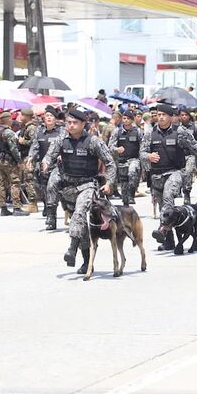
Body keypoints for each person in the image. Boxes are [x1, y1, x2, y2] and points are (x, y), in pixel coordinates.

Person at [41, 109, 116, 273]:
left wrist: (109, 182)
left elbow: (110, 163)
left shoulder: (93, 141)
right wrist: (45, 164)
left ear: (83, 124)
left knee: (79, 214)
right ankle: (87, 261)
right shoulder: (61, 139)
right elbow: (49, 155)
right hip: (69, 188)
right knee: (81, 227)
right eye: (69, 122)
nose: (71, 125)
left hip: (88, 186)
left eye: (75, 123)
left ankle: (72, 249)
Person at [140, 104, 197, 249]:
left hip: (175, 172)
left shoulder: (180, 131)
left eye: (164, 115)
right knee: (164, 208)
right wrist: (148, 156)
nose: (160, 117)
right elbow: (141, 153)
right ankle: (168, 242)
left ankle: (162, 229)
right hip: (156, 175)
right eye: (158, 114)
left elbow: (196, 147)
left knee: (168, 198)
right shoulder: (149, 133)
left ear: (170, 117)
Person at [28, 106, 65, 230]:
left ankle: (51, 218)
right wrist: (30, 158)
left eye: (51, 116)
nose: (48, 118)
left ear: (55, 119)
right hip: (43, 167)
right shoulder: (39, 131)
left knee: (51, 188)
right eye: (47, 116)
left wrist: (62, 155)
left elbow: (66, 145)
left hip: (57, 166)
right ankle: (49, 209)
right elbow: (34, 147)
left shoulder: (61, 131)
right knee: (43, 190)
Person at [0, 112, 28, 217]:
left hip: (0, 160)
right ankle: (16, 207)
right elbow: (13, 148)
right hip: (9, 161)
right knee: (15, 182)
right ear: (7, 119)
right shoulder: (8, 132)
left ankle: (3, 208)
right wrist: (19, 161)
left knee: (2, 183)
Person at [109, 109, 143, 207]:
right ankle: (126, 201)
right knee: (124, 184)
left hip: (134, 159)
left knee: (132, 172)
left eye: (128, 118)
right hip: (121, 161)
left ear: (132, 120)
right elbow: (110, 146)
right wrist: (116, 149)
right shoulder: (117, 131)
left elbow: (143, 146)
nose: (125, 120)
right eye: (124, 118)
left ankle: (132, 193)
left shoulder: (138, 132)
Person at [178, 107, 197, 204]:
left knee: (188, 172)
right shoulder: (177, 127)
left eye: (186, 115)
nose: (184, 117)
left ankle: (187, 194)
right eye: (182, 115)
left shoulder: (194, 126)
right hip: (179, 154)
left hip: (191, 155)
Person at [16, 108, 38, 212]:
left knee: (29, 179)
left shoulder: (31, 128)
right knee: (27, 179)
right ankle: (32, 203)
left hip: (29, 157)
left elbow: (34, 142)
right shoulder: (26, 127)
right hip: (25, 156)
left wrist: (23, 141)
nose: (20, 117)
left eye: (22, 115)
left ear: (26, 116)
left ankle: (33, 204)